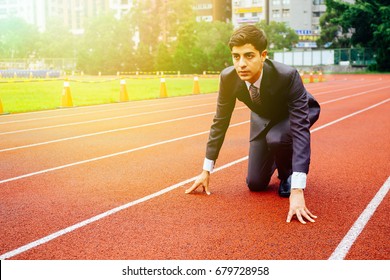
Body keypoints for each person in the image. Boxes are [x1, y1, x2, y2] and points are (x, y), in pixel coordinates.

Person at [185, 25, 321, 224]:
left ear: (263, 55)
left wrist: (298, 189)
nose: (241, 64)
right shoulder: (229, 78)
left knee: (278, 137)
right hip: (263, 117)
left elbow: (300, 130)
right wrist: (206, 169)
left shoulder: (288, 76)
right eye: (236, 56)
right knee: (255, 184)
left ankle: (286, 175)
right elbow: (220, 121)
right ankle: (277, 152)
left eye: (249, 56)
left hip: (295, 114)